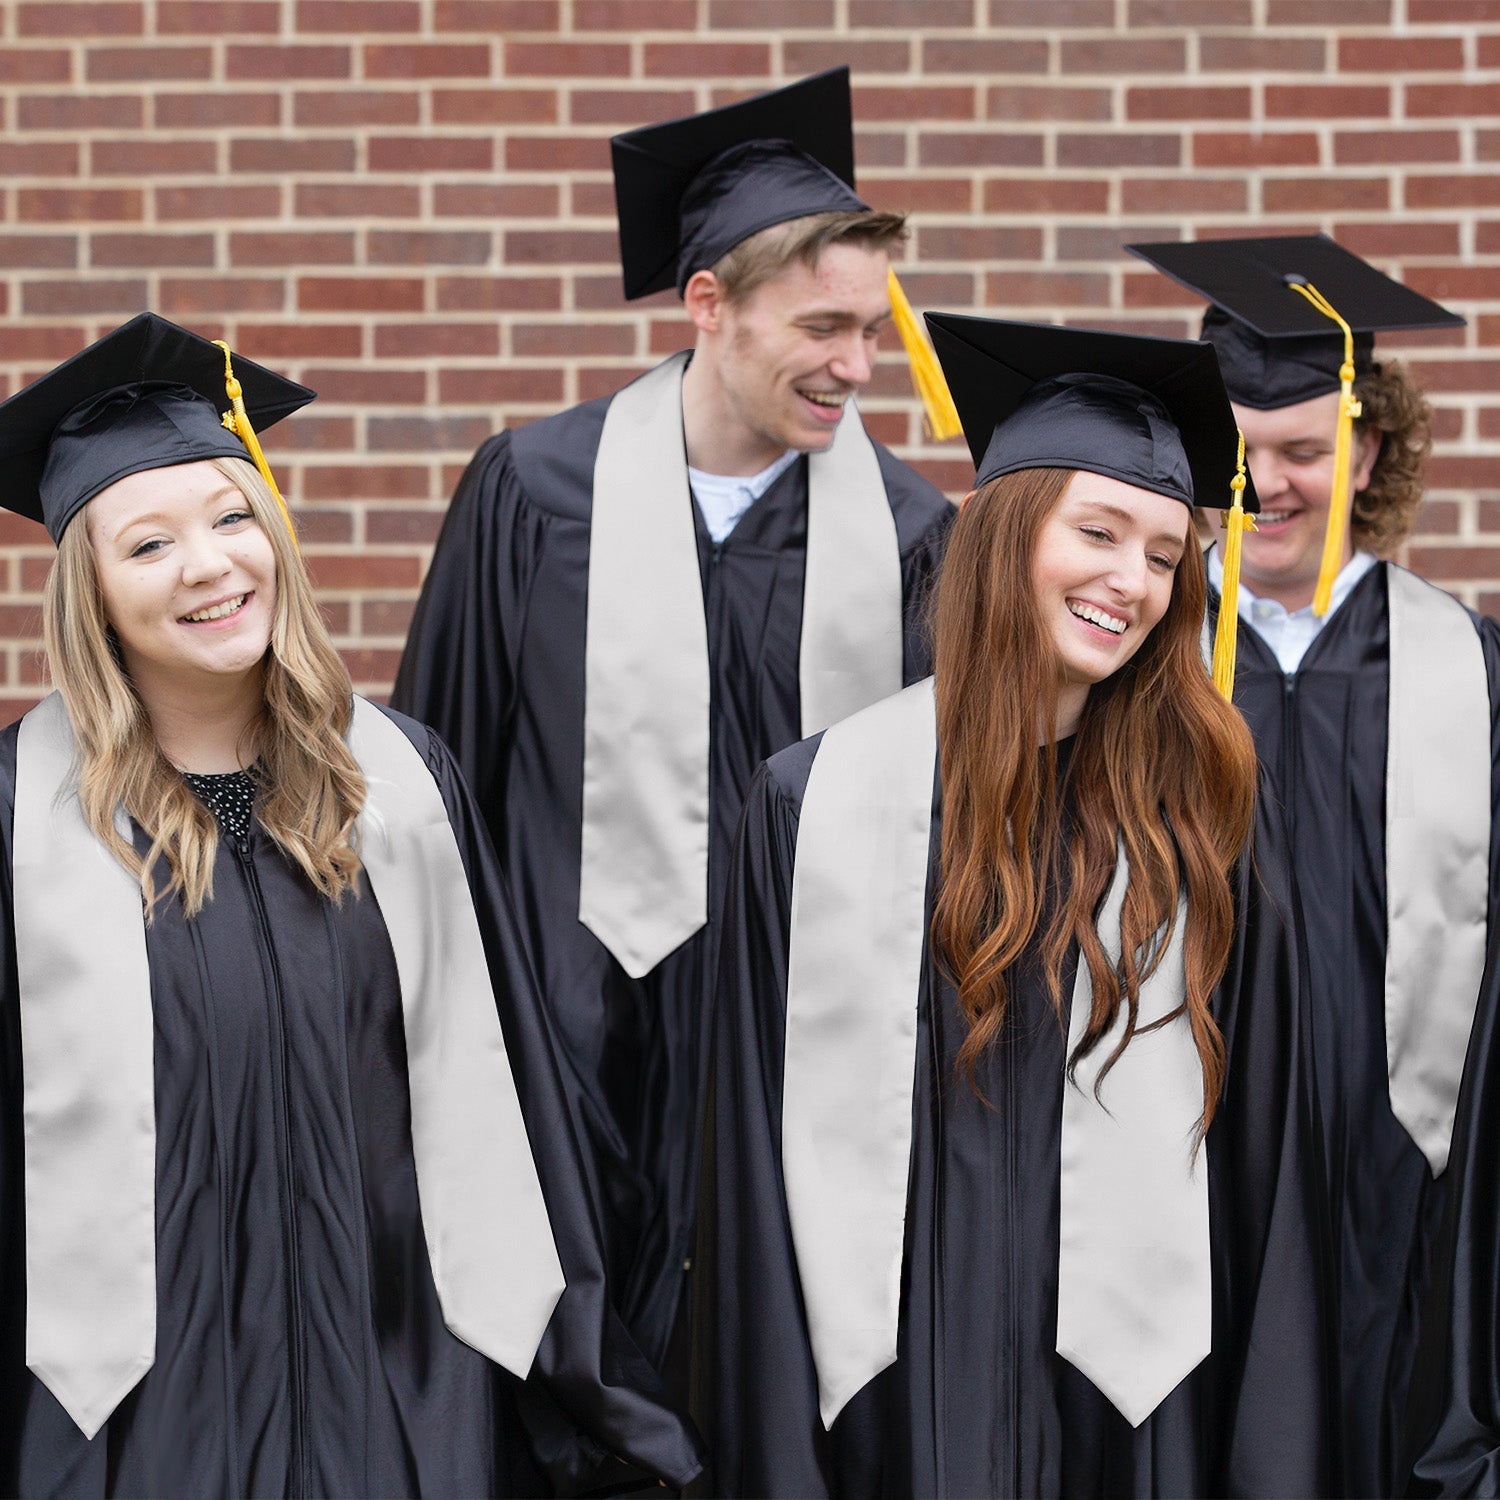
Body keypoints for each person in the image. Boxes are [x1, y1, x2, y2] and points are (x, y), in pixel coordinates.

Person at [0, 312, 704, 1498]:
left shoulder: (404, 786)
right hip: (138, 1417)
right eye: (150, 544)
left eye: (233, 518)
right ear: (94, 599)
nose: (213, 565)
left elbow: (512, 1097)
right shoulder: (25, 819)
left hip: (400, 1384)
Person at [693, 314, 1332, 1497]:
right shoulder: (811, 802)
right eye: (1097, 532)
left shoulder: (1207, 821)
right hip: (889, 1419)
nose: (1130, 582)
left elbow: (1271, 1177)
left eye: (1162, 553)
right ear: (1002, 536)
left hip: (1143, 1424)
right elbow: (746, 1170)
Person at [391, 66, 954, 1387]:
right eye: (823, 326)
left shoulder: (916, 539)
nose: (857, 367)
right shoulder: (533, 491)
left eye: (872, 330)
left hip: (790, 1056)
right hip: (558, 1044)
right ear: (710, 304)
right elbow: (438, 777)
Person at [1130, 234, 1499, 1499]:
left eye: (1306, 449)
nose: (1269, 484)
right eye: (1242, 451)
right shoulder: (1145, 664)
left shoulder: (1469, 671)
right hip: (1183, 1149)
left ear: (1371, 451)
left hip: (1403, 1160)